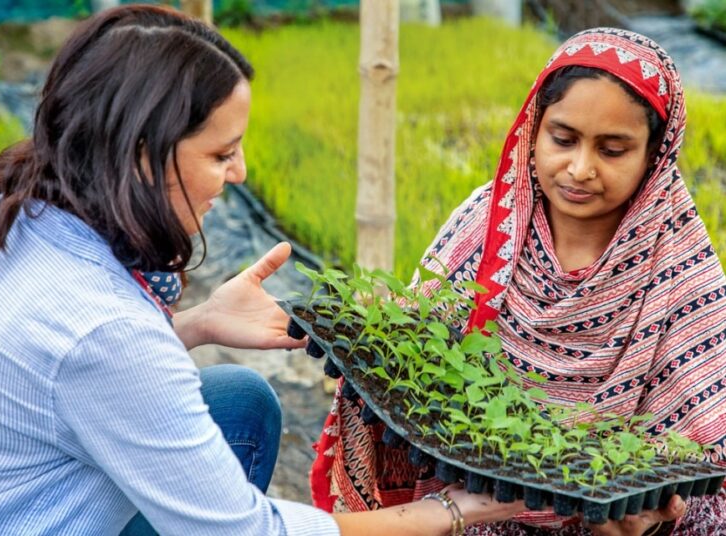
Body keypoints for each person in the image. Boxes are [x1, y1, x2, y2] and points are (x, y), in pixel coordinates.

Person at [0, 4, 531, 536]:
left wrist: (198, 322)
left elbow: (67, 374)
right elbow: (252, 530)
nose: (239, 173)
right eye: (221, 154)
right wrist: (446, 513)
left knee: (239, 402)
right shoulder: (106, 330)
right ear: (142, 154)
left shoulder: (15, 209)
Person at [311, 27, 726, 536]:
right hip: (474, 503)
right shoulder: (485, 227)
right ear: (535, 129)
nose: (579, 168)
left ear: (654, 156)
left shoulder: (679, 265)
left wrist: (644, 515)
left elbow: (703, 450)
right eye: (563, 139)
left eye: (612, 150)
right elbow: (412, 366)